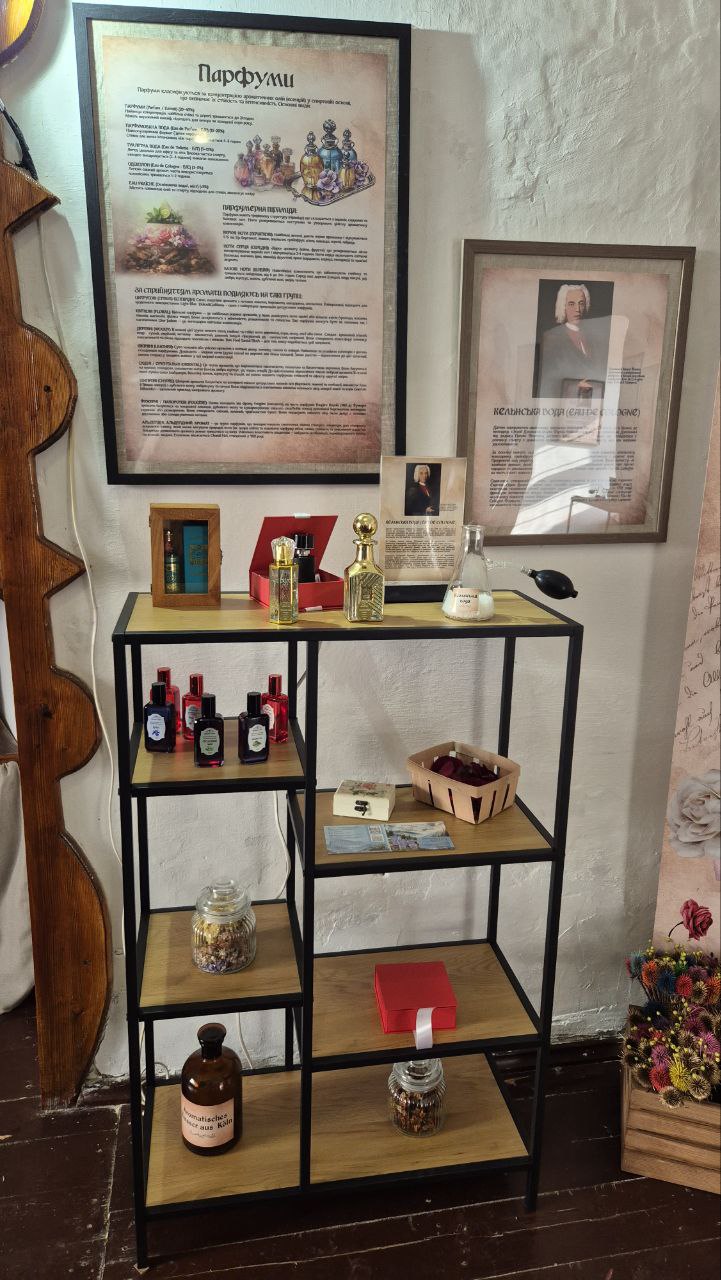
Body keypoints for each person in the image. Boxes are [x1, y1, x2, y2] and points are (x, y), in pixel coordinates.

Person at [536, 284, 611, 399]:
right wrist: (575, 385)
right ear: (563, 307)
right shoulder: (552, 337)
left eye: (581, 303)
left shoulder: (593, 338)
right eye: (571, 304)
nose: (577, 309)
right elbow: (548, 379)